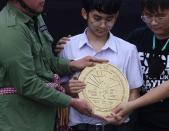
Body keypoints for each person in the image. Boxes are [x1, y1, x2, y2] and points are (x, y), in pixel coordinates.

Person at [0, 0, 108, 131]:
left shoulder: (34, 15)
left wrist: (72, 64)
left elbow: (45, 61)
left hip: (43, 118)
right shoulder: (11, 30)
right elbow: (27, 84)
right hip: (21, 122)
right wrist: (71, 102)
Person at [105, 0, 169, 130]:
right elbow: (118, 72)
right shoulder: (137, 36)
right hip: (141, 123)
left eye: (160, 16)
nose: (153, 22)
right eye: (147, 16)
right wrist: (72, 43)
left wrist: (132, 105)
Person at [59, 0, 143, 131]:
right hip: (79, 126)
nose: (103, 25)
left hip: (116, 127)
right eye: (97, 18)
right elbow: (57, 88)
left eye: (109, 19)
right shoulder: (68, 46)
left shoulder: (128, 49)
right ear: (85, 13)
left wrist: (123, 114)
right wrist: (67, 88)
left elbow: (134, 91)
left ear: (117, 15)